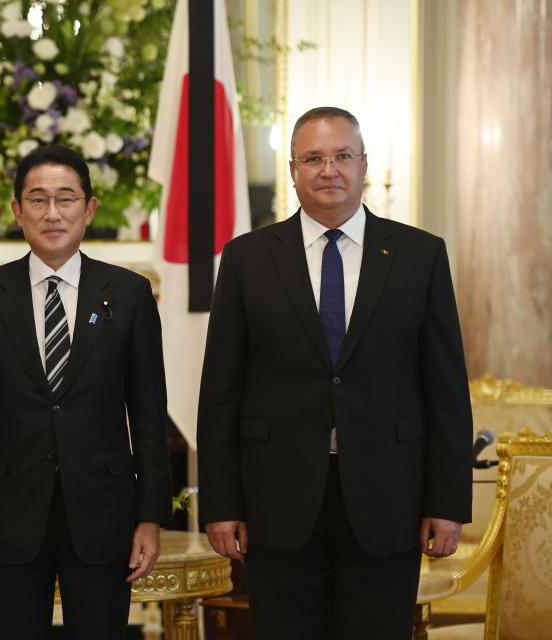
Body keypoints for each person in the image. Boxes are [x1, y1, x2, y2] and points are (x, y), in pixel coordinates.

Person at [197, 106, 472, 639]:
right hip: (277, 502)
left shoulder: (420, 255)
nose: (330, 170)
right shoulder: (246, 258)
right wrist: (221, 504)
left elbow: (445, 389)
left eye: (343, 155)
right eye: (314, 158)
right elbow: (220, 394)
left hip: (388, 498)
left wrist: (447, 502)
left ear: (364, 164)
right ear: (294, 171)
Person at [0, 144, 172, 639]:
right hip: (8, 515)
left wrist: (151, 518)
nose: (52, 213)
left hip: (104, 514)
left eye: (66, 198)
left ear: (89, 209)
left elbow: (150, 416)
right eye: (38, 199)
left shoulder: (129, 295)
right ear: (16, 211)